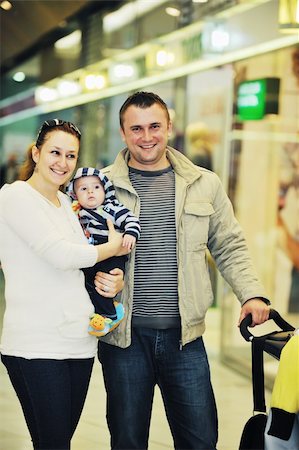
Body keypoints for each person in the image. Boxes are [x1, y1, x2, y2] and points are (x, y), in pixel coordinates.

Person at [97, 91, 271, 450]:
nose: (147, 137)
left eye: (155, 126)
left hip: (185, 340)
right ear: (123, 132)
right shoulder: (99, 188)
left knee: (200, 440)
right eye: (137, 128)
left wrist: (251, 293)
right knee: (127, 441)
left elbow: (229, 244)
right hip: (123, 340)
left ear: (169, 127)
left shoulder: (204, 183)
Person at [0, 119, 127, 450]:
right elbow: (59, 255)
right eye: (55, 152)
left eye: (71, 156)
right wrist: (111, 248)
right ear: (36, 152)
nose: (63, 162)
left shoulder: (69, 208)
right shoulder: (15, 197)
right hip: (36, 345)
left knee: (52, 443)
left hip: (78, 343)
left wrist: (113, 277)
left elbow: (81, 265)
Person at [66, 167, 140, 336]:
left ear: (105, 190)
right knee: (88, 282)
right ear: (75, 195)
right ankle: (99, 312)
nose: (91, 192)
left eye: (96, 187)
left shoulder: (110, 208)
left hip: (112, 256)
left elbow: (131, 220)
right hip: (93, 255)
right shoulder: (77, 213)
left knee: (104, 282)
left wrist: (130, 233)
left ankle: (110, 315)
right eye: (84, 189)